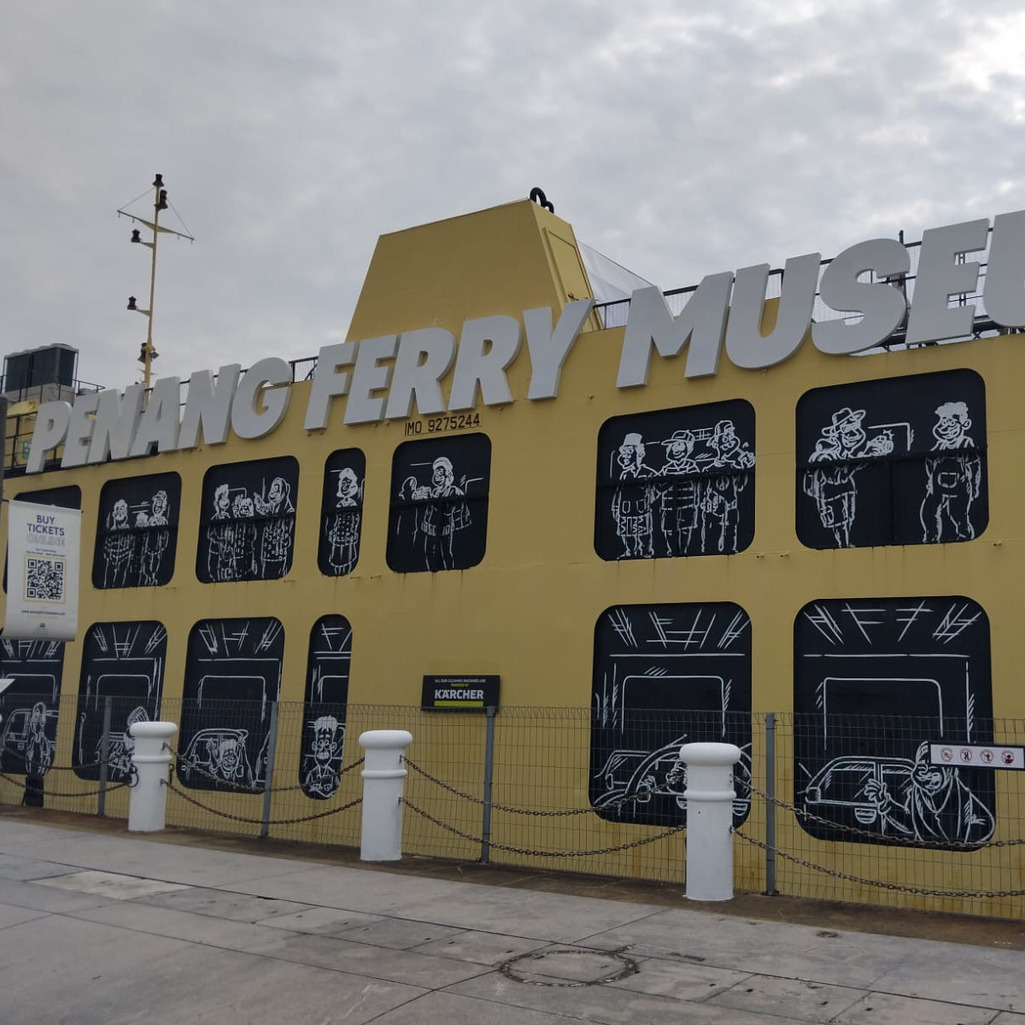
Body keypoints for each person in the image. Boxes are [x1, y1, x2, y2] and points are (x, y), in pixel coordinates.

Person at [862, 742, 994, 844]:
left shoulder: (963, 796)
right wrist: (885, 802)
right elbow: (909, 824)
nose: (928, 780)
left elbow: (983, 824)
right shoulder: (916, 795)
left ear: (947, 771)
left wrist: (967, 837)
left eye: (933, 773)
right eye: (923, 776)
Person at [802, 407, 893, 547]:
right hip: (832, 500)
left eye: (856, 427)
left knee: (848, 522)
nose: (854, 433)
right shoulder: (825, 455)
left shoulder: (847, 455)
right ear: (836, 435)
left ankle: (846, 544)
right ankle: (842, 545)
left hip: (846, 497)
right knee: (839, 526)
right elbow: (835, 478)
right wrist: (865, 455)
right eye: (847, 430)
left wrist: (871, 453)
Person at [919, 401, 981, 542]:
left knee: (958, 515)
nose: (944, 427)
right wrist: (930, 480)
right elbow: (929, 462)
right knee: (928, 512)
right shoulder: (939, 445)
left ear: (964, 425)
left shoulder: (966, 443)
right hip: (937, 487)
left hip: (960, 487)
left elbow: (975, 465)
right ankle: (931, 537)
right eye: (942, 423)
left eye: (951, 423)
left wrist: (975, 486)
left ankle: (964, 535)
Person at [418, 456, 471, 571]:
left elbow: (448, 509)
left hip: (445, 527)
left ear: (447, 475)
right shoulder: (434, 490)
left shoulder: (453, 491)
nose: (437, 475)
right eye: (436, 472)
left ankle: (449, 571)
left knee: (446, 552)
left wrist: (431, 499)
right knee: (428, 552)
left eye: (440, 473)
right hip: (430, 527)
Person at [611, 433, 657, 558]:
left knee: (644, 531)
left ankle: (646, 551)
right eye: (624, 452)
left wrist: (652, 497)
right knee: (627, 532)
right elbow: (618, 492)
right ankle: (629, 551)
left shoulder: (647, 472)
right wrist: (615, 508)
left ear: (639, 454)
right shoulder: (624, 475)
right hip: (625, 510)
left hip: (641, 508)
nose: (625, 456)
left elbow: (658, 487)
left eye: (629, 452)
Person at [658, 430, 702, 556]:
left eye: (679, 444)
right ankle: (671, 550)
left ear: (687, 447)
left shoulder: (691, 466)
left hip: (687, 505)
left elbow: (697, 487)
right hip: (668, 506)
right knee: (669, 530)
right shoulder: (666, 469)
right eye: (673, 445)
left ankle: (684, 550)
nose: (675, 448)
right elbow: (660, 488)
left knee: (685, 530)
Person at [325, 467, 362, 575]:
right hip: (338, 535)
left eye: (348, 482)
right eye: (343, 483)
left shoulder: (353, 504)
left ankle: (345, 573)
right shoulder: (339, 504)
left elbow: (355, 520)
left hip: (347, 535)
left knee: (347, 556)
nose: (345, 485)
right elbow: (335, 521)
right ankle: (338, 574)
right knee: (336, 558)